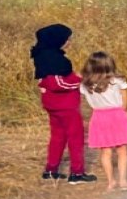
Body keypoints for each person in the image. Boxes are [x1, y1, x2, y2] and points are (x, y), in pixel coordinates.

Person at [31, 24, 96, 185]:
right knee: (76, 138)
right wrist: (79, 79)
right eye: (67, 39)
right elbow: (57, 84)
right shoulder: (57, 60)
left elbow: (45, 82)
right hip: (65, 105)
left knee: (58, 137)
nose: (69, 42)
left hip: (52, 104)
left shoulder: (41, 56)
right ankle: (77, 173)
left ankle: (51, 170)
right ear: (57, 40)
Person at [80, 51, 127, 192]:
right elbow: (124, 101)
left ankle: (110, 182)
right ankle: (123, 181)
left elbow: (85, 101)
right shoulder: (117, 81)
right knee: (122, 151)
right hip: (117, 115)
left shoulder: (85, 84)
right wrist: (122, 114)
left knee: (105, 152)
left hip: (99, 117)